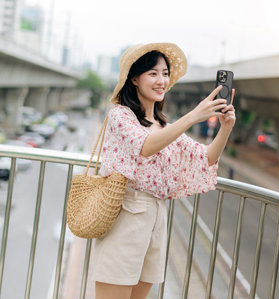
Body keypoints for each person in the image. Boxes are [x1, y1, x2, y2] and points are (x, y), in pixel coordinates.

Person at [93, 43, 236, 299]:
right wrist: (193, 116)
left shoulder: (163, 125)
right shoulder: (121, 116)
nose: (162, 80)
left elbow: (205, 158)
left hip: (156, 219)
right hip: (126, 215)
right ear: (135, 78)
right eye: (153, 73)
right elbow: (144, 147)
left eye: (165, 73)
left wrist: (225, 128)